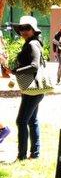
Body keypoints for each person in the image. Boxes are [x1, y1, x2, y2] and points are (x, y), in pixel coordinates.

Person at [3, 16, 46, 160]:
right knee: (32, 120)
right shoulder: (33, 42)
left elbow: (34, 66)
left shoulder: (32, 44)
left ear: (33, 30)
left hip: (32, 87)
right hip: (33, 87)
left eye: (27, 28)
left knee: (21, 121)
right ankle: (35, 154)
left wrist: (14, 72)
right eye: (21, 29)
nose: (23, 31)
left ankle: (22, 156)